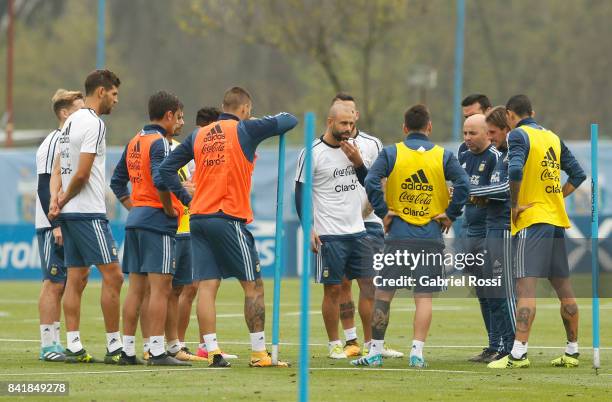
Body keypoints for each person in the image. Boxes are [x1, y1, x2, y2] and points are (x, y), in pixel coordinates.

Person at [160, 86, 298, 367]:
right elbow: (289, 120)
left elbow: (165, 170)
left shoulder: (199, 134)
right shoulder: (245, 129)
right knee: (254, 286)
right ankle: (259, 353)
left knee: (207, 286)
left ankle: (213, 352)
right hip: (227, 216)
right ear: (245, 109)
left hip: (197, 218)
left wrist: (187, 196)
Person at [353, 104, 469, 368]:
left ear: (404, 128)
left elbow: (371, 180)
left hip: (398, 235)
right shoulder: (444, 156)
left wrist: (383, 211)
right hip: (430, 236)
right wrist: (451, 213)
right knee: (424, 297)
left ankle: (375, 353)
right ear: (429, 127)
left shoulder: (392, 152)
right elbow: (463, 184)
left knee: (383, 294)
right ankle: (417, 353)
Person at [488, 95, 586, 369]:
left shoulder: (519, 135)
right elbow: (578, 175)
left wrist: (517, 202)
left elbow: (516, 169)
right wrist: (555, 198)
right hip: (555, 219)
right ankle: (572, 351)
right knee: (564, 287)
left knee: (525, 287)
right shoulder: (552, 137)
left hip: (532, 221)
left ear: (509, 114)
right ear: (533, 111)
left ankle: (518, 354)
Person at [110, 91, 191, 366]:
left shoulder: (135, 141)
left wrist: (134, 207)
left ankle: (129, 350)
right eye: (179, 118)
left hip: (135, 223)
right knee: (161, 289)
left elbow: (117, 181)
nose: (181, 123)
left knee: (136, 290)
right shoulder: (161, 143)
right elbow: (161, 178)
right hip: (157, 222)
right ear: (168, 115)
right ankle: (157, 351)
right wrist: (170, 207)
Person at [48, 69, 124, 364]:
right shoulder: (93, 122)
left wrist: (57, 200)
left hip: (70, 213)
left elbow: (60, 167)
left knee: (77, 278)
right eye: (115, 94)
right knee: (113, 275)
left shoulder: (69, 123)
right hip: (87, 212)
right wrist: (64, 197)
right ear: (102, 91)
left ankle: (74, 345)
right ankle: (115, 346)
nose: (116, 100)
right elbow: (80, 173)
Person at [295, 102, 375, 360]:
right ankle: (334, 344)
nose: (349, 129)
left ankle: (372, 343)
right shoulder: (312, 152)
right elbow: (300, 193)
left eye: (352, 124)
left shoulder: (356, 148)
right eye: (344, 124)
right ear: (330, 122)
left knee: (369, 286)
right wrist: (308, 227)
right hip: (329, 233)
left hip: (358, 231)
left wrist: (359, 163)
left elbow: (370, 185)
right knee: (332, 290)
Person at [329, 93, 403, 359]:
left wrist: (377, 206)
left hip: (369, 223)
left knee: (370, 284)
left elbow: (383, 179)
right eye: (343, 117)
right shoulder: (327, 146)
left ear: (356, 115)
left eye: (351, 115)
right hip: (338, 225)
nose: (348, 123)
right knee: (342, 285)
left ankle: (374, 344)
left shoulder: (372, 144)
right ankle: (350, 341)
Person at [36, 89, 84, 362]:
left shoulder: (67, 140)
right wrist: (55, 225)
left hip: (65, 222)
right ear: (64, 113)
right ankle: (47, 345)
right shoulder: (55, 141)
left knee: (62, 283)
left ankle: (56, 343)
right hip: (52, 223)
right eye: (78, 109)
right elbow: (45, 186)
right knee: (53, 283)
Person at [470, 106, 516, 360]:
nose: (490, 137)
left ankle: (512, 348)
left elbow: (505, 189)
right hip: (492, 227)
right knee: (491, 291)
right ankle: (501, 346)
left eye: (493, 132)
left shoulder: (511, 155)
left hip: (505, 229)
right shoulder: (502, 154)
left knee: (502, 292)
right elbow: (496, 190)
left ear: (507, 129)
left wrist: (472, 192)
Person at [458, 114, 503, 363]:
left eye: (472, 133)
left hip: (489, 232)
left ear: (488, 133)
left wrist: (469, 193)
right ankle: (491, 344)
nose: (467, 138)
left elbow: (495, 194)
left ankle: (502, 344)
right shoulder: (463, 155)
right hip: (469, 231)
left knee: (494, 291)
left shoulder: (496, 157)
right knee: (481, 292)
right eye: (465, 133)